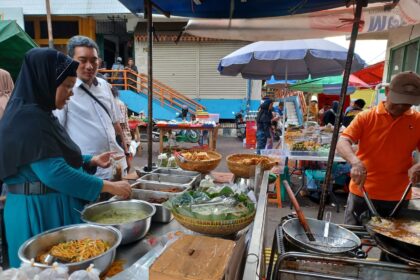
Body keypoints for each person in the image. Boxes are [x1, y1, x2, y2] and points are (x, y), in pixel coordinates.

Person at [0, 48, 132, 267]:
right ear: (46, 82)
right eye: (67, 87)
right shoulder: (29, 118)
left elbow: (49, 156)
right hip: (37, 212)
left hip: (46, 204)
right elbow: (54, 173)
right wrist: (110, 186)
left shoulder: (39, 113)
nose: (71, 93)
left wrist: (89, 160)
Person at [337, 71, 420, 226]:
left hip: (399, 195)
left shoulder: (418, 121)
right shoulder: (366, 117)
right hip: (362, 191)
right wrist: (355, 162)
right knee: (351, 240)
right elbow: (342, 142)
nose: (402, 107)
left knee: (393, 246)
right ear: (387, 92)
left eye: (408, 103)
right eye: (399, 101)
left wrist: (418, 166)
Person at [54, 36, 128, 180]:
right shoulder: (63, 90)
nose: (89, 66)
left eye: (94, 60)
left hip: (117, 165)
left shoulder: (105, 86)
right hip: (89, 172)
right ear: (71, 61)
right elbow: (58, 134)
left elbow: (115, 123)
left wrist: (126, 150)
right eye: (82, 60)